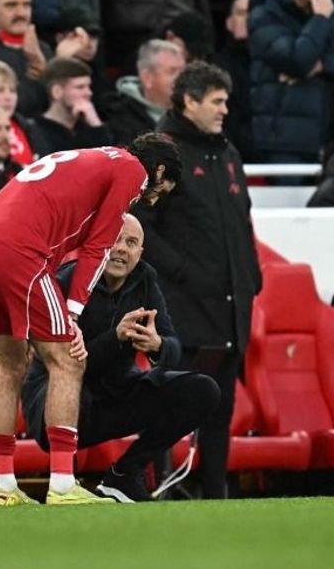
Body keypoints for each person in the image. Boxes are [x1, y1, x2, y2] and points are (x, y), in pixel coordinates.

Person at [0, 132, 181, 505]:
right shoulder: (132, 170)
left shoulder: (85, 155)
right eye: (160, 190)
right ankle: (62, 485)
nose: (152, 198)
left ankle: (4, 487)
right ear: (157, 169)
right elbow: (98, 246)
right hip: (16, 248)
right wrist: (73, 314)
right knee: (68, 360)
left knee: (11, 364)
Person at [22, 214, 220, 503]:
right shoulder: (65, 281)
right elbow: (65, 364)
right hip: (54, 404)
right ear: (97, 244)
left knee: (203, 390)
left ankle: (124, 475)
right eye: (114, 239)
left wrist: (157, 345)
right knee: (71, 390)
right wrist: (114, 337)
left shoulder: (145, 280)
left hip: (114, 393)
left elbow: (173, 348)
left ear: (140, 253)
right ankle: (63, 485)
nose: (121, 249)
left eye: (131, 243)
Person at [133, 62, 259, 498]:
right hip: (180, 309)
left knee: (220, 409)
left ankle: (215, 493)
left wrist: (251, 279)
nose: (226, 109)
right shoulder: (161, 153)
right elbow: (138, 224)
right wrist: (180, 271)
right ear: (189, 101)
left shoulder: (227, 154)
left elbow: (242, 224)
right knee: (169, 404)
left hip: (229, 307)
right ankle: (157, 492)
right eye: (217, 101)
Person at [248, 0, 334, 164]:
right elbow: (297, 61)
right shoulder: (263, 15)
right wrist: (320, 19)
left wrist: (323, 66)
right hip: (285, 141)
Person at [101, 39, 185, 147]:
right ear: (147, 78)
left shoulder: (195, 111)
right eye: (172, 71)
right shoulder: (119, 117)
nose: (182, 78)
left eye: (183, 71)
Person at [29, 57, 112, 155]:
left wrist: (96, 125)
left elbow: (109, 160)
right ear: (56, 92)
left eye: (89, 87)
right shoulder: (35, 130)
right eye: (80, 87)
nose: (89, 93)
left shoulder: (89, 129)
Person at [214, 0, 254, 159]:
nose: (249, 19)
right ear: (229, 23)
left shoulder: (281, 63)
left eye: (253, 13)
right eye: (242, 13)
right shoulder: (217, 67)